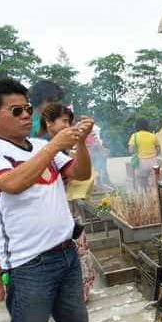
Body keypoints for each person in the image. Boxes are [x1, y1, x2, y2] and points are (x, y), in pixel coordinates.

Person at [0, 78, 109, 322]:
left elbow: (81, 174)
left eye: (27, 108)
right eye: (16, 110)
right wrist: (53, 146)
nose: (25, 115)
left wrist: (82, 142)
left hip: (65, 253)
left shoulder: (35, 144)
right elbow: (14, 183)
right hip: (28, 263)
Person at [42, 103, 97, 302]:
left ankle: (76, 296)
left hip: (67, 216)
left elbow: (82, 174)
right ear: (49, 124)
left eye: (70, 121)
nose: (69, 125)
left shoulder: (61, 153)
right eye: (64, 121)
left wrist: (81, 142)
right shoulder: (41, 149)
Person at [127, 118, 160, 191]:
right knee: (154, 185)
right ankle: (155, 199)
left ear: (137, 126)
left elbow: (131, 150)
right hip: (153, 162)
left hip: (141, 163)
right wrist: (153, 155)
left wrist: (137, 151)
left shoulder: (135, 136)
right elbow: (158, 149)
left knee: (142, 185)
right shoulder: (153, 136)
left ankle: (146, 198)